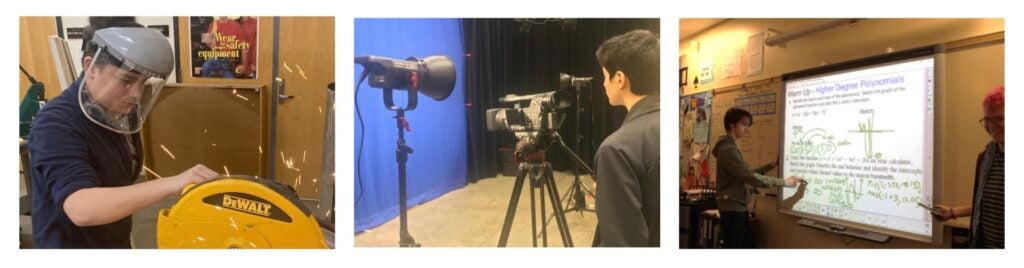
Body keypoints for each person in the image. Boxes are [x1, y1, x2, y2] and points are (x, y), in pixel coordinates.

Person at [29, 23, 218, 248]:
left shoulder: (115, 113)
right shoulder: (55, 122)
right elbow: (81, 208)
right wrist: (172, 183)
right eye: (126, 80)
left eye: (143, 83)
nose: (136, 95)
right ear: (91, 67)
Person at [591, 29, 660, 247]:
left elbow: (623, 243)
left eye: (604, 77)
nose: (603, 84)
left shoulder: (615, 149)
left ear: (619, 79)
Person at [712, 107, 802, 248]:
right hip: (733, 208)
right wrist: (784, 182)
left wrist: (771, 165)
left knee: (749, 244)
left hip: (738, 207)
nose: (746, 129)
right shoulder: (728, 149)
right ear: (731, 123)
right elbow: (750, 177)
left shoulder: (731, 147)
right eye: (744, 124)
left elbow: (746, 174)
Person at [933, 86, 1004, 249]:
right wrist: (951, 213)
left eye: (999, 119)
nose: (992, 126)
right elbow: (984, 204)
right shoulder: (985, 158)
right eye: (987, 119)